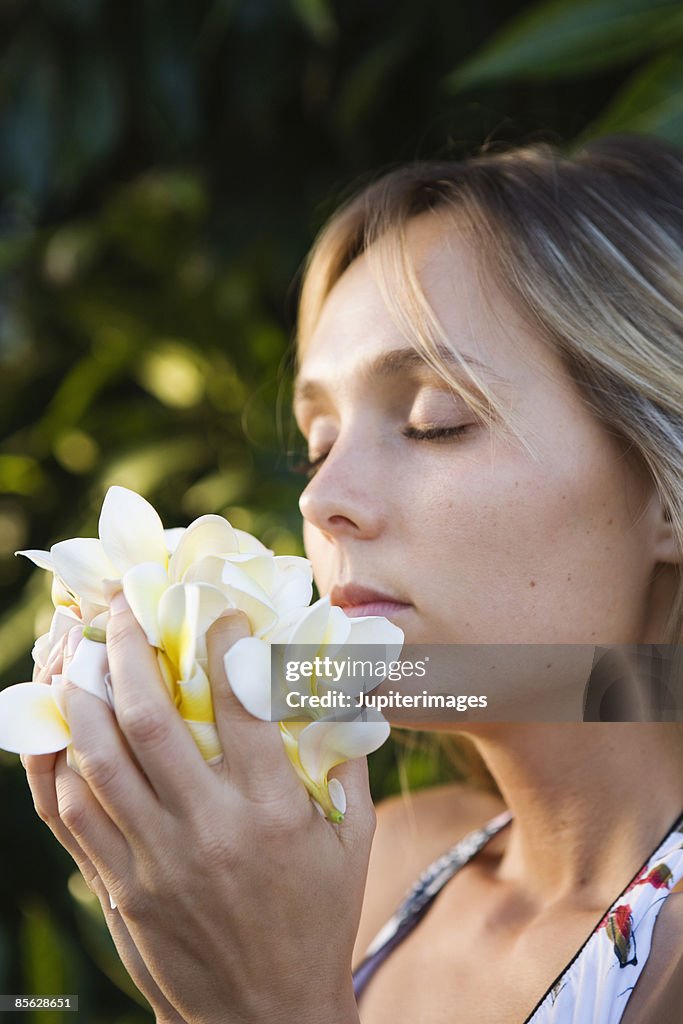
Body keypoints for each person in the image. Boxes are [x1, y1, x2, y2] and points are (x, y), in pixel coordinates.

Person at [22, 134, 683, 1023]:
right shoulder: (356, 865)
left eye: (431, 421)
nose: (323, 499)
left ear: (666, 496)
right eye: (317, 443)